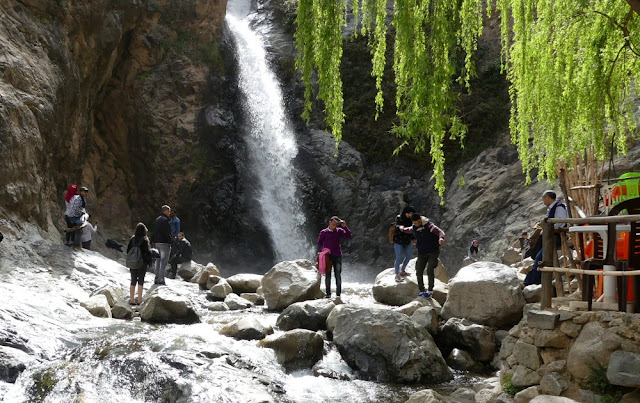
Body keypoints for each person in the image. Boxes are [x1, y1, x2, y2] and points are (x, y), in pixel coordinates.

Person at [524, 190, 568, 286]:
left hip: (555, 236)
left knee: (540, 257)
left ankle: (534, 281)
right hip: (550, 236)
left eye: (544, 198)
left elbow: (561, 222)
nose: (543, 201)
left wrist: (548, 228)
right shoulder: (553, 208)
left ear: (547, 198)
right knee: (537, 255)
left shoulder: (559, 207)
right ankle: (532, 279)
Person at [408, 213, 445, 297]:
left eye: (418, 222)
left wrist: (441, 238)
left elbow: (440, 232)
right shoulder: (414, 227)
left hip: (433, 251)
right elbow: (409, 231)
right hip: (422, 252)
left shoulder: (429, 226)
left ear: (420, 219)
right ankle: (421, 291)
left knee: (430, 270)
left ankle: (430, 290)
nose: (417, 224)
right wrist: (401, 229)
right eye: (415, 223)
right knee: (418, 270)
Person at [317, 216, 352, 298]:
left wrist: (345, 227)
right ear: (330, 222)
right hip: (327, 256)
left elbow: (349, 236)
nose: (334, 226)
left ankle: (338, 294)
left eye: (336, 224)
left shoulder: (339, 231)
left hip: (337, 256)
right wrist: (323, 249)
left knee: (338, 275)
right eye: (333, 224)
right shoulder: (324, 232)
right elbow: (319, 242)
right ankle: (328, 294)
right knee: (328, 275)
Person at [127, 223, 152, 305]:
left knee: (133, 280)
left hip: (133, 262)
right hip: (142, 263)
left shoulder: (132, 239)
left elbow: (128, 250)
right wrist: (149, 261)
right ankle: (139, 300)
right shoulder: (145, 239)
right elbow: (147, 252)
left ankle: (131, 300)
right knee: (141, 280)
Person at [393, 206, 416, 282]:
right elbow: (398, 225)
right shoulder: (399, 218)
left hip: (407, 241)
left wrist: (414, 239)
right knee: (399, 258)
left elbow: (411, 231)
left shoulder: (411, 220)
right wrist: (401, 227)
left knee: (408, 256)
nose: (411, 215)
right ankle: (397, 274)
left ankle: (402, 270)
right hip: (398, 241)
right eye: (410, 213)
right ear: (406, 213)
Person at [152, 205, 172, 285]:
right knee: (163, 262)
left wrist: (153, 241)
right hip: (164, 243)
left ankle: (156, 278)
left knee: (158, 260)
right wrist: (170, 241)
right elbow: (167, 232)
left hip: (157, 242)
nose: (170, 213)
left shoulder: (157, 219)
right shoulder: (165, 220)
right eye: (169, 211)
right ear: (166, 211)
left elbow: (154, 231)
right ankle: (161, 279)